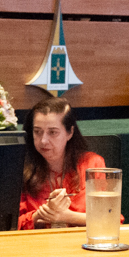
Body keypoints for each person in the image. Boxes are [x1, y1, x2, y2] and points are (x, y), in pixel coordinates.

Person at [18, 97, 108, 230]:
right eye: (37, 132)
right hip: (36, 242)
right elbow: (7, 225)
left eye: (52, 132)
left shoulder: (92, 164)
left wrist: (66, 216)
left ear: (70, 132)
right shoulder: (20, 167)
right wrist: (40, 215)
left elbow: (109, 219)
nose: (43, 140)